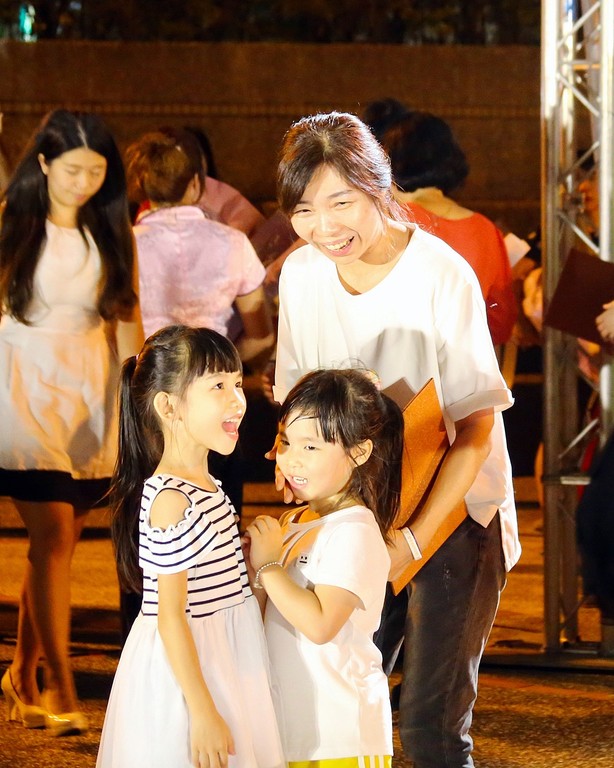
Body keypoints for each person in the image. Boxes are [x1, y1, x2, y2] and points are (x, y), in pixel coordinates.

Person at [272, 111, 521, 768]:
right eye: (304, 210)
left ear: (379, 186)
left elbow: (476, 426)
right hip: (357, 514)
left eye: (342, 202)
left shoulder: (439, 274)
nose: (325, 228)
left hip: (452, 514)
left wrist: (410, 543)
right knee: (344, 706)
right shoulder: (301, 274)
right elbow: (296, 404)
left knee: (429, 730)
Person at [0, 109, 143, 735]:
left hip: (89, 389)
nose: (84, 182)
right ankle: (62, 685)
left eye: (96, 171)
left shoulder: (112, 229)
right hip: (21, 383)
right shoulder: (13, 221)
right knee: (54, 531)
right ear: (43, 164)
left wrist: (140, 397)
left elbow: (128, 318)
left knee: (52, 546)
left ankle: (20, 673)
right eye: (71, 170)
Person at [96, 325, 285, 768]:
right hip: (191, 680)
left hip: (225, 660)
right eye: (217, 386)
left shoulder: (208, 488)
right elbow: (170, 617)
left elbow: (229, 596)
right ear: (168, 406)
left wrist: (260, 567)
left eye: (237, 383)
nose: (237, 400)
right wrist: (202, 711)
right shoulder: (171, 499)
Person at [246, 367, 402, 766]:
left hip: (342, 735)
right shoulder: (294, 522)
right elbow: (267, 616)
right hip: (292, 731)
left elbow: (320, 624)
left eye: (311, 447)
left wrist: (268, 567)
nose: (292, 460)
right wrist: (255, 568)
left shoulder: (354, 530)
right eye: (285, 442)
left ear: (359, 452)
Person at [381, 111, 517, 346]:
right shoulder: (485, 230)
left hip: (389, 362)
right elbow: (500, 323)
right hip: (461, 362)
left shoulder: (386, 222)